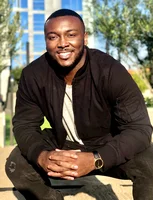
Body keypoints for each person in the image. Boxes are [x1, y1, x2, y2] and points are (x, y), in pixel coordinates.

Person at [5, 8, 153, 200]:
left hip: (107, 144)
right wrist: (42, 156)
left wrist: (97, 159)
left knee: (150, 164)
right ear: (46, 41)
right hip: (61, 143)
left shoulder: (110, 71)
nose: (63, 44)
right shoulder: (33, 75)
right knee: (16, 164)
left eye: (71, 35)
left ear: (85, 38)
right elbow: (24, 124)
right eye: (53, 37)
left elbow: (139, 129)